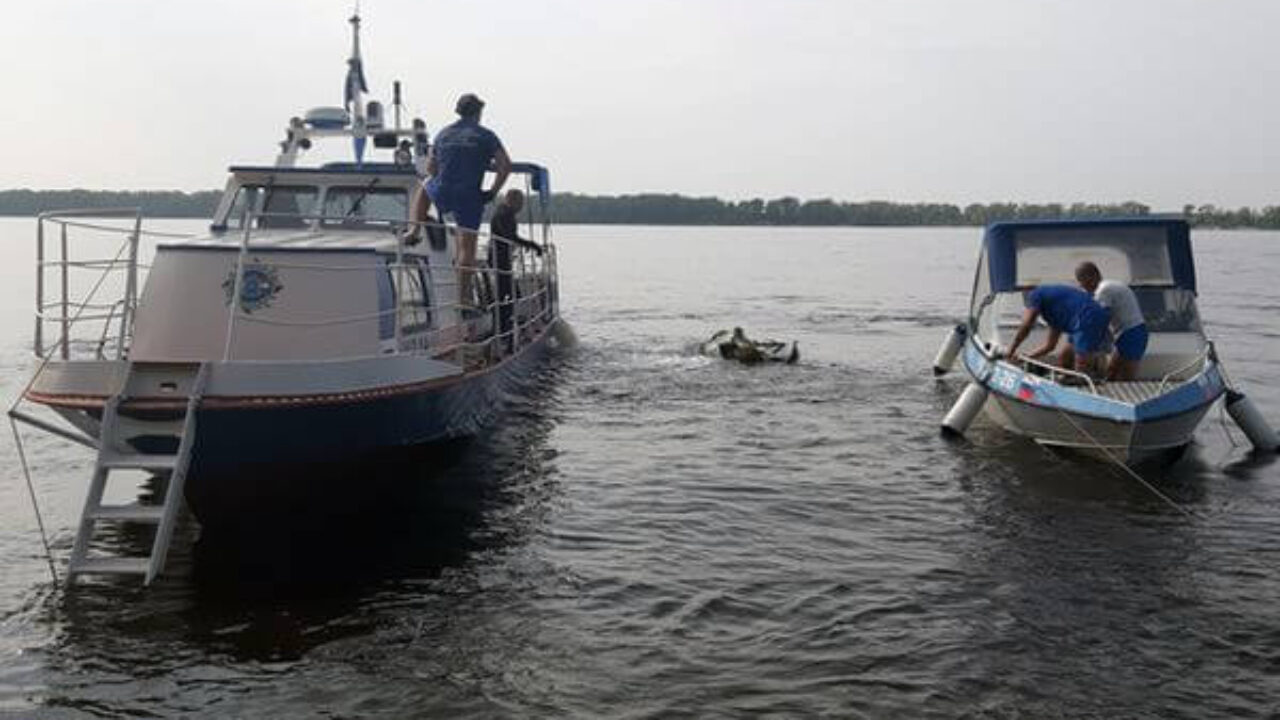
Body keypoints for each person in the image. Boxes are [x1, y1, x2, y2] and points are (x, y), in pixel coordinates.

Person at [413, 93, 511, 306]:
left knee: (424, 186)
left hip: (443, 190)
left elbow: (431, 168)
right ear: (478, 113)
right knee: (468, 247)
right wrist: (493, 191)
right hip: (469, 194)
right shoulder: (486, 136)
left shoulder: (443, 134)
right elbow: (505, 165)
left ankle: (414, 229)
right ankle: (463, 298)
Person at [1006, 284, 1111, 376]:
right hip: (1093, 316)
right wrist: (1026, 358)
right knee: (1065, 357)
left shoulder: (1035, 294)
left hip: (1087, 317)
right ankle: (1071, 379)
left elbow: (1026, 325)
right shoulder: (1053, 312)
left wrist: (1012, 349)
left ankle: (1085, 385)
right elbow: (1050, 346)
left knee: (1081, 363)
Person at [488, 189, 543, 352]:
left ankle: (504, 328)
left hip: (502, 257)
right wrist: (532, 245)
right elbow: (509, 236)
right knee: (508, 295)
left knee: (510, 295)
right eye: (520, 203)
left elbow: (510, 237)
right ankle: (502, 330)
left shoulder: (504, 212)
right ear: (512, 200)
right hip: (499, 258)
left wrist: (530, 246)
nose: (521, 207)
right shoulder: (504, 214)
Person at [1075, 261, 1148, 381]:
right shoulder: (1109, 285)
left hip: (1132, 333)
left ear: (1093, 276)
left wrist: (1090, 347)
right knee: (1111, 371)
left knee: (1126, 377)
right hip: (1125, 334)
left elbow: (1100, 319)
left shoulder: (1104, 290)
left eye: (1084, 282)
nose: (1084, 287)